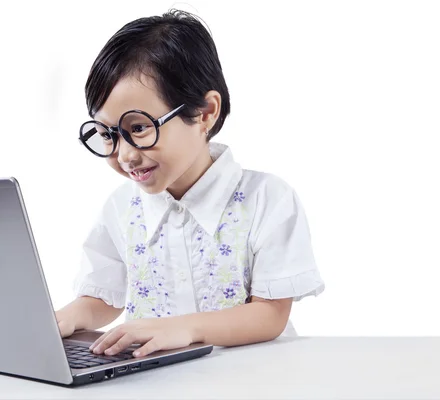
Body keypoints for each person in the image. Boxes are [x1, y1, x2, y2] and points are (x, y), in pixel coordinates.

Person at [56, 9, 325, 359]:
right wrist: (61, 319)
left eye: (138, 128)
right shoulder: (120, 208)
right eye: (107, 134)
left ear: (205, 113)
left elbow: (270, 315)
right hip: (155, 381)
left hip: (252, 379)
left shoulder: (267, 200)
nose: (124, 156)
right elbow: (102, 298)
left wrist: (184, 327)